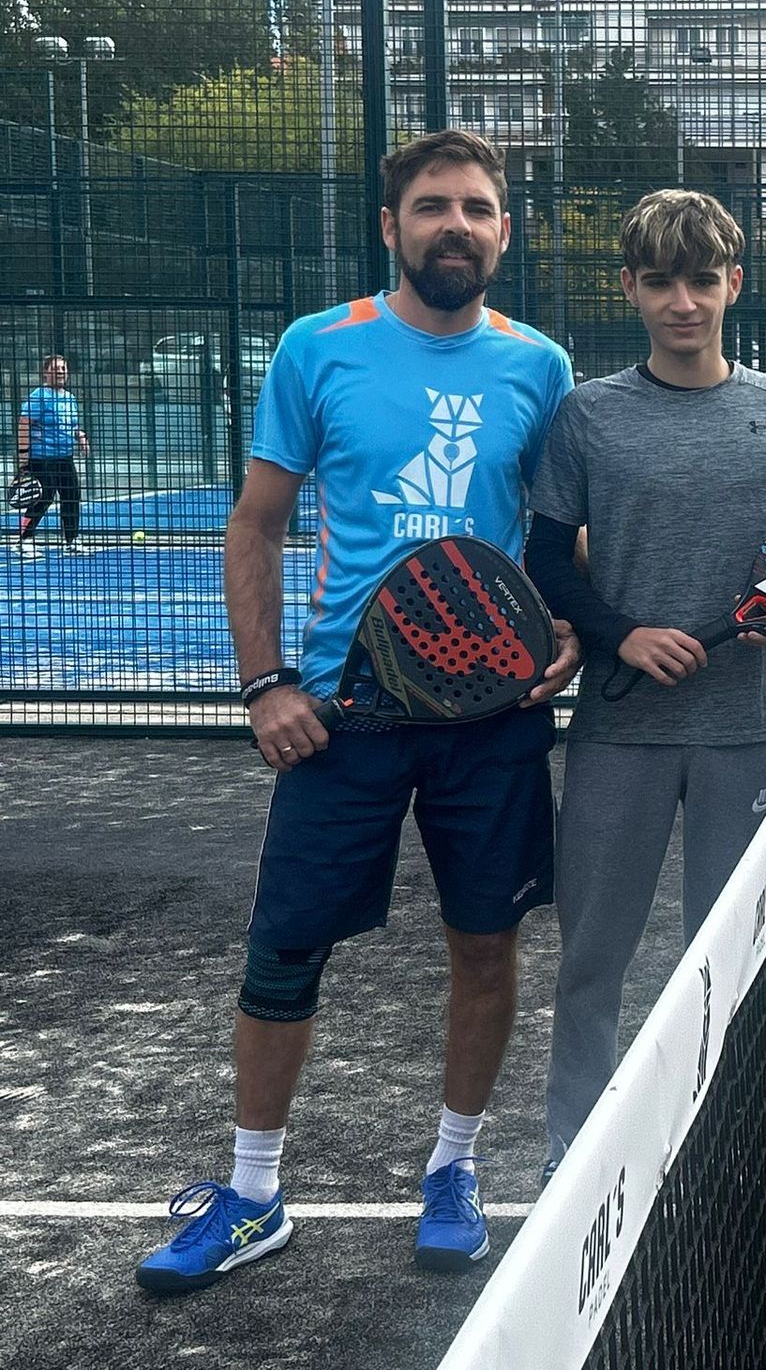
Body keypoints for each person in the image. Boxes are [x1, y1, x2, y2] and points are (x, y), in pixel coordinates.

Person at [134, 129, 580, 1294]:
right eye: (432, 206)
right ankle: (252, 1194)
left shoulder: (540, 365)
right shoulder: (316, 348)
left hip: (492, 713)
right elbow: (257, 526)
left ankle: (453, 1167)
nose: (456, 225)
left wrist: (568, 625)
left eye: (478, 209)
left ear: (503, 233)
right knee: (285, 950)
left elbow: (559, 536)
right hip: (344, 711)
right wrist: (264, 682)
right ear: (391, 227)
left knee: (486, 943)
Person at [526, 189, 766, 1180]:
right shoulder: (587, 414)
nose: (683, 301)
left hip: (750, 727)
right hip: (621, 731)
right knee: (591, 966)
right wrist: (623, 634)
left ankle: (726, 1143)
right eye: (660, 281)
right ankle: (576, 1155)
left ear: (733, 283)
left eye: (702, 279)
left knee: (732, 959)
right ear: (631, 289)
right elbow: (547, 561)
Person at [15, 352, 89, 556]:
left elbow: (71, 425)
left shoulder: (70, 398)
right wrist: (23, 457)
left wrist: (80, 436)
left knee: (71, 495)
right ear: (45, 373)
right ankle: (25, 539)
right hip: (42, 457)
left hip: (64, 456)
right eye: (55, 369)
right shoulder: (38, 397)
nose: (60, 372)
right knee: (42, 498)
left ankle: (72, 540)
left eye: (63, 369)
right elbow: (24, 426)